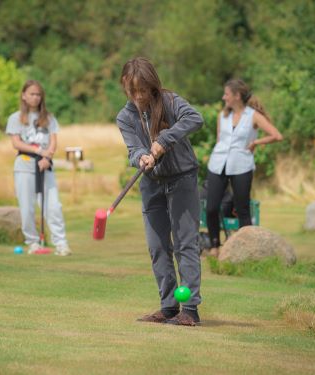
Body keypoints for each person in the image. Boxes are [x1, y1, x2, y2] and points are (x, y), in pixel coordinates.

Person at [116, 57, 204, 326]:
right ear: (125, 87)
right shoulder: (125, 116)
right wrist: (142, 156)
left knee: (185, 243)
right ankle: (168, 307)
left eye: (144, 89)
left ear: (153, 85)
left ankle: (189, 309)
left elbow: (195, 118)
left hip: (182, 179)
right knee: (157, 247)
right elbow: (133, 150)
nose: (140, 96)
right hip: (151, 183)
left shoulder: (170, 101)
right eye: (134, 90)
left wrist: (163, 140)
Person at [206, 79, 283, 257]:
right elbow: (220, 141)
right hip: (217, 164)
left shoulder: (253, 116)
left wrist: (256, 142)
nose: (223, 97)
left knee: (242, 210)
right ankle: (214, 246)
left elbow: (276, 135)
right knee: (211, 207)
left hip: (242, 166)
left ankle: (247, 251)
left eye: (226, 94)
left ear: (237, 96)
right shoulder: (222, 116)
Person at [5, 80, 72, 256]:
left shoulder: (49, 119)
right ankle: (33, 242)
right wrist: (38, 151)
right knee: (26, 206)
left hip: (45, 165)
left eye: (38, 94)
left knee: (53, 206)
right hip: (24, 166)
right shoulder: (15, 118)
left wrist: (47, 157)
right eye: (32, 94)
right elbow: (16, 142)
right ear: (24, 95)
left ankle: (61, 243)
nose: (35, 97)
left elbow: (53, 142)